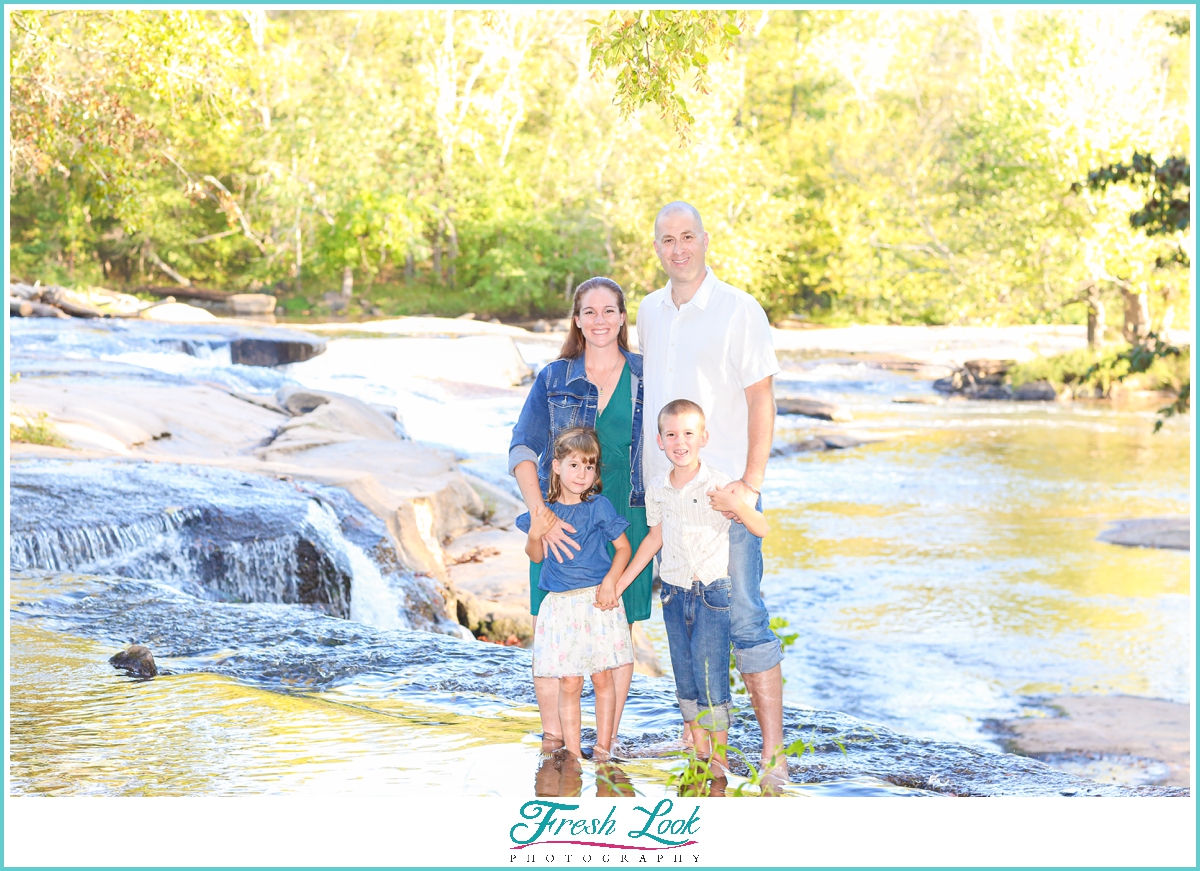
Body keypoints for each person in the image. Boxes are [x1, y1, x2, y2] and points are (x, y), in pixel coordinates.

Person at [636, 201, 787, 778]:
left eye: (687, 237)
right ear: (657, 247)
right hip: (669, 499)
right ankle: (703, 743)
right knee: (684, 617)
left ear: (705, 240)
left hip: (723, 496)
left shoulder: (738, 310)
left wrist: (749, 485)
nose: (678, 249)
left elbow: (760, 399)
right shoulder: (649, 311)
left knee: (744, 616)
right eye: (667, 240)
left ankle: (773, 757)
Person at [509, 277, 654, 755]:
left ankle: (607, 744)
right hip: (561, 520)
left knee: (617, 627)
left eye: (609, 311)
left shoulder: (647, 374)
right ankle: (555, 741)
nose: (599, 321)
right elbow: (523, 447)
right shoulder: (554, 377)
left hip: (624, 515)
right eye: (589, 312)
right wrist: (539, 515)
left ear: (622, 317)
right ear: (576, 319)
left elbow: (677, 432)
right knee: (551, 626)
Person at [607, 400, 768, 772]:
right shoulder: (657, 489)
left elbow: (760, 528)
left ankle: (719, 761)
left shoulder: (719, 484)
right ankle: (699, 752)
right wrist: (620, 582)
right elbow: (653, 540)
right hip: (674, 595)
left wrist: (737, 504)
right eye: (672, 434)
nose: (681, 441)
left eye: (689, 433)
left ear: (704, 438)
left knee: (711, 679)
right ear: (660, 442)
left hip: (713, 594)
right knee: (684, 677)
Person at [516, 427, 633, 760]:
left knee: (602, 678)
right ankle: (572, 752)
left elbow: (623, 549)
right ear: (556, 466)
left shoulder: (599, 506)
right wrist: (535, 535)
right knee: (570, 682)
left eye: (590, 466)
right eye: (574, 465)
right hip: (561, 607)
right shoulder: (544, 511)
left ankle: (603, 747)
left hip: (597, 602)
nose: (582, 474)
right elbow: (536, 556)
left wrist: (611, 581)